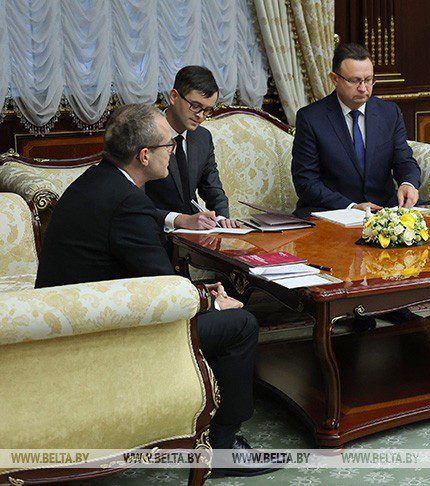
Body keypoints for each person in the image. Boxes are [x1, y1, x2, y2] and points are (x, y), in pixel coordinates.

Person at [35, 104, 275, 478]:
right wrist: (211, 300)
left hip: (79, 317)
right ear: (144, 155)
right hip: (100, 336)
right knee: (240, 323)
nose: (174, 151)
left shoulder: (97, 180)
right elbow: (164, 291)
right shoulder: (127, 202)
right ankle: (223, 446)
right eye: (169, 146)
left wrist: (202, 292)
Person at [291, 43, 422, 218]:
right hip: (334, 211)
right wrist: (351, 207)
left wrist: (408, 184)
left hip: (383, 208)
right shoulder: (311, 118)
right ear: (335, 79)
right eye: (354, 81)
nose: (363, 88)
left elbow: (404, 161)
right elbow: (306, 182)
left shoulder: (389, 112)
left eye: (368, 80)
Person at [144, 65, 240, 231]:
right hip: (153, 230)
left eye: (207, 110)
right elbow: (133, 200)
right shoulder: (145, 133)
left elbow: (212, 188)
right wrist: (179, 220)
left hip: (195, 234)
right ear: (174, 96)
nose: (200, 116)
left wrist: (222, 218)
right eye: (195, 106)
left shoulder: (203, 137)